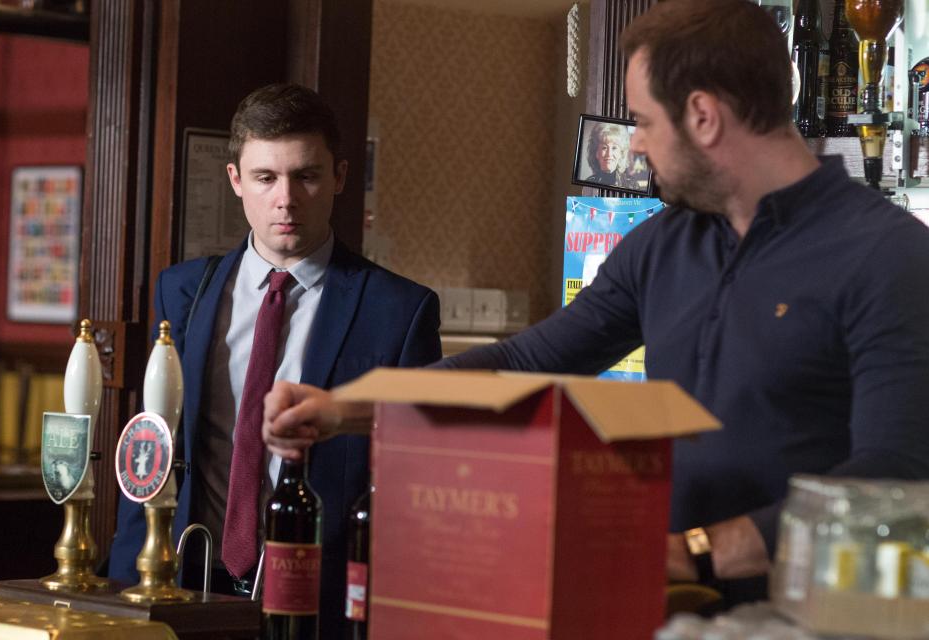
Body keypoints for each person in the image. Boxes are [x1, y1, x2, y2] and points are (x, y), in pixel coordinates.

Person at [261, 0, 929, 607]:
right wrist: (343, 407)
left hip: (813, 618)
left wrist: (696, 550)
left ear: (702, 116)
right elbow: (524, 365)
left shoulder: (888, 256)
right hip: (667, 612)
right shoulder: (663, 245)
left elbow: (890, 477)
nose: (632, 142)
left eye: (641, 120)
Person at [108, 83, 442, 638]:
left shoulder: (400, 310)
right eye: (265, 178)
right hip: (186, 583)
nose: (286, 199)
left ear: (338, 177)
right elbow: (154, 442)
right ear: (236, 180)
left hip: (321, 597)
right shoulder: (182, 291)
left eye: (306, 176)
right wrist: (124, 581)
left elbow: (416, 478)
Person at [585, 121, 641, 190]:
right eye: (604, 148)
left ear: (621, 153)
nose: (609, 154)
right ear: (596, 153)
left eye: (614, 148)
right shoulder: (588, 183)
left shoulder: (632, 185)